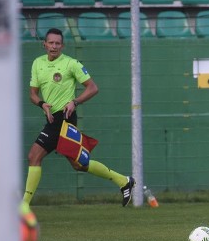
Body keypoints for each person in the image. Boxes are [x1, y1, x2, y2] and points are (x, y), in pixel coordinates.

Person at [23, 28, 134, 206]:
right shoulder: (37, 63)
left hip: (65, 119)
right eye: (51, 43)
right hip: (52, 119)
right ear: (44, 44)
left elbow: (93, 88)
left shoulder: (71, 64)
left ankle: (24, 205)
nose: (54, 46)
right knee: (79, 164)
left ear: (62, 45)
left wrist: (74, 102)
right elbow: (32, 94)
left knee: (33, 156)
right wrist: (41, 104)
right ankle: (123, 181)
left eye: (57, 43)